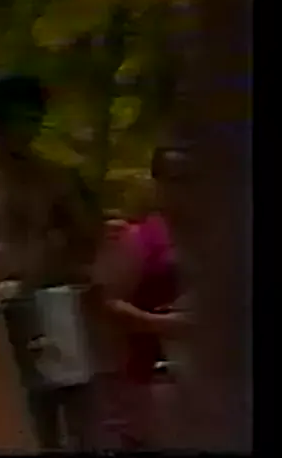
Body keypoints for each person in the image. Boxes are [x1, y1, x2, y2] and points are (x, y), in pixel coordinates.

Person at [0, 74, 98, 449]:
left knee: (70, 404)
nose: (27, 130)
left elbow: (88, 240)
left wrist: (50, 271)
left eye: (33, 120)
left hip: (46, 300)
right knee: (6, 411)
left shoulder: (56, 177)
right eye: (18, 120)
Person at [88, 148, 191, 450]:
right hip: (157, 378)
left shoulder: (228, 232)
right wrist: (164, 324)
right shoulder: (137, 237)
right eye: (175, 179)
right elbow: (107, 303)